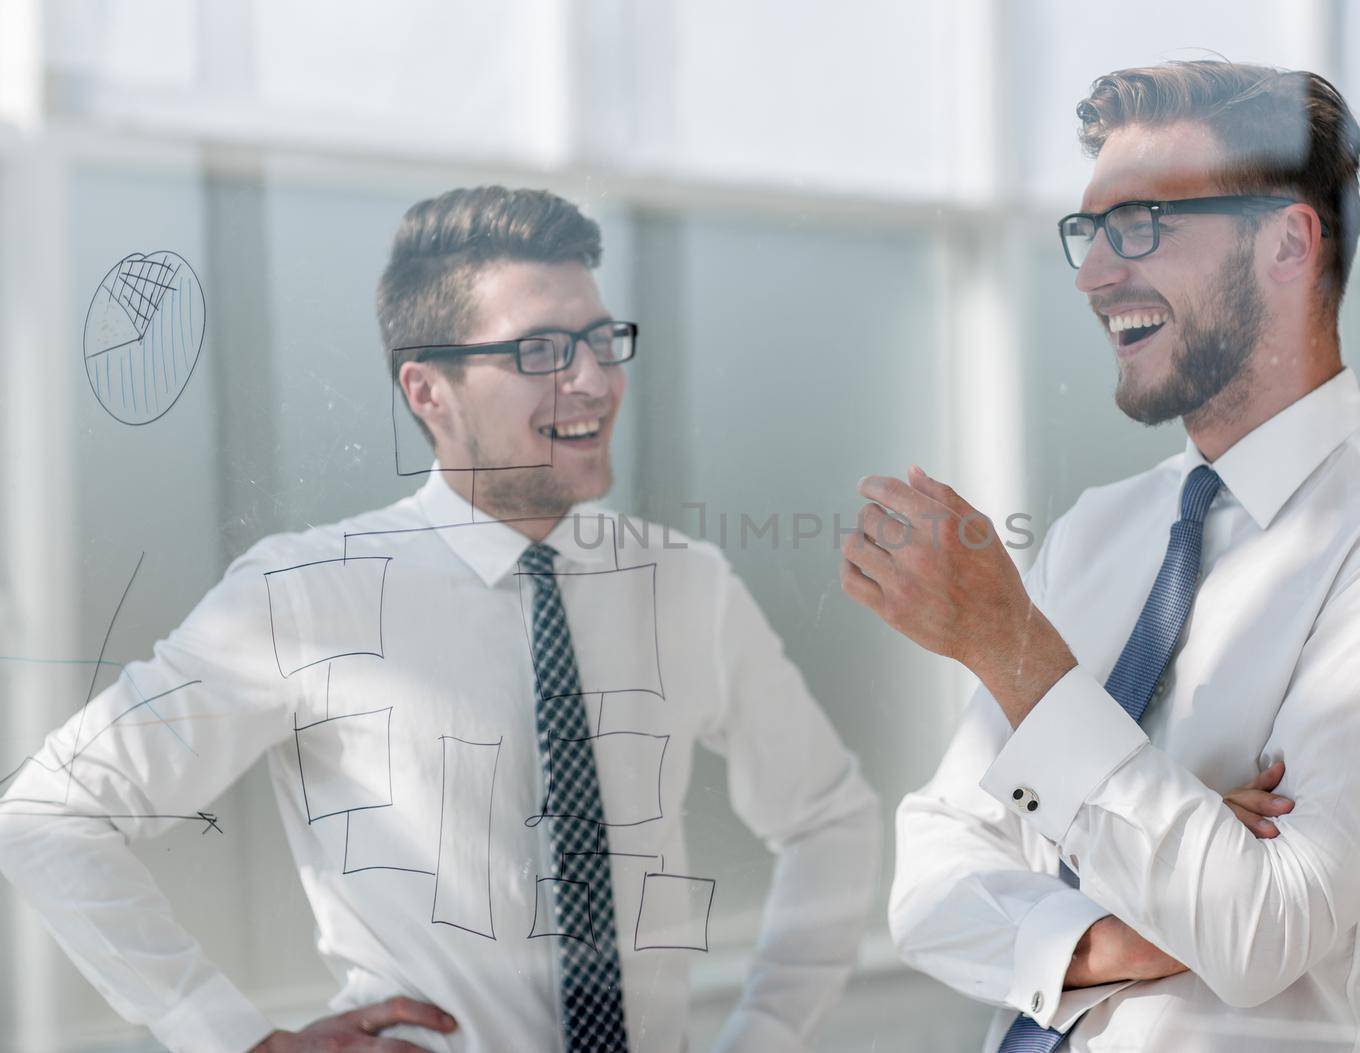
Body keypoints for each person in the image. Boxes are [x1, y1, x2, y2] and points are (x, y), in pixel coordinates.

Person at [1, 186, 880, 1053]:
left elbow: (830, 816)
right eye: (540, 349)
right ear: (428, 391)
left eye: (600, 339)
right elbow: (47, 814)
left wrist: (765, 1033)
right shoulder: (308, 593)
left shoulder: (686, 583)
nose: (594, 380)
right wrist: (234, 1036)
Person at [840, 60, 1360, 1052]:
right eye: (1087, 231)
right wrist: (1132, 918)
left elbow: (1256, 929)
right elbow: (931, 883)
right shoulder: (1093, 533)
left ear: (1287, 245)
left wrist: (1011, 650)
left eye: (1139, 227)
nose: (1089, 275)